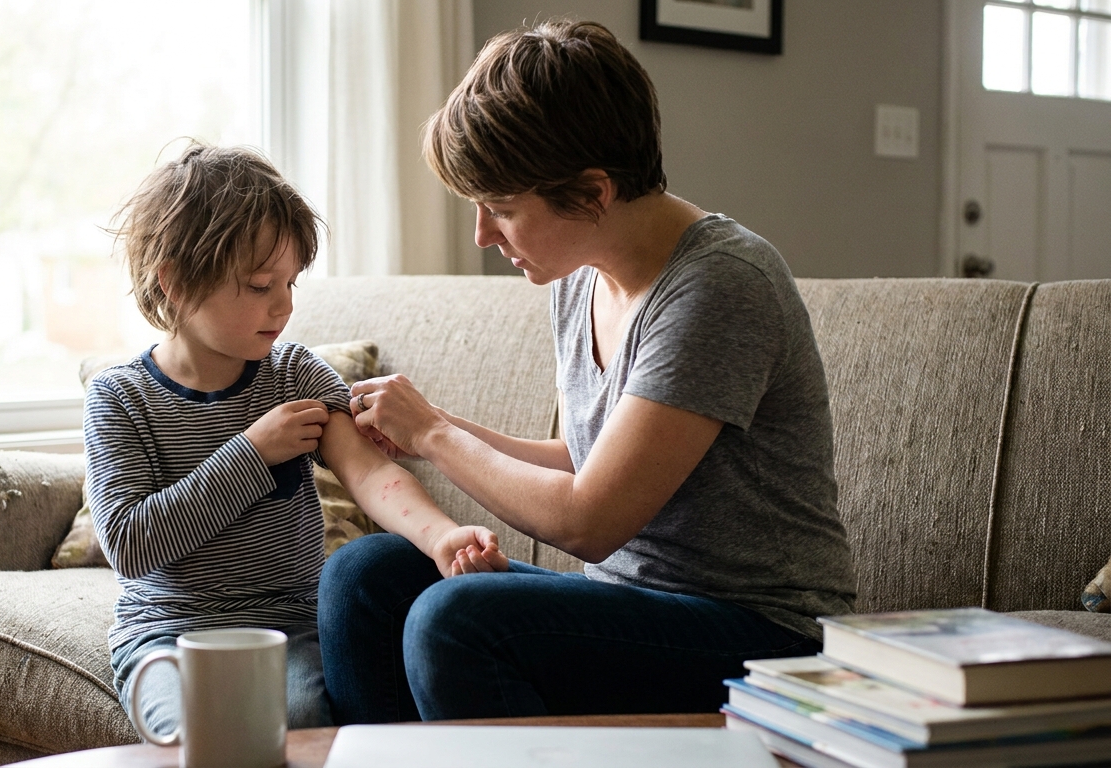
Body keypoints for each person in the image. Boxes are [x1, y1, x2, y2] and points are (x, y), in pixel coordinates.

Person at [318, 20, 857, 723]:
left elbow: (590, 519)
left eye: (503, 209)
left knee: (456, 619)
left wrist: (435, 440)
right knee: (363, 575)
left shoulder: (720, 285)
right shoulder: (580, 271)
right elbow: (589, 460)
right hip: (638, 609)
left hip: (763, 632)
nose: (484, 235)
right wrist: (436, 425)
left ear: (593, 193)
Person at [84, 143, 509, 739]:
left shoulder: (296, 374)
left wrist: (442, 536)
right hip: (170, 635)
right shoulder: (120, 398)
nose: (284, 305)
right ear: (175, 282)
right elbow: (131, 543)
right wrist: (253, 455)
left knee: (304, 724)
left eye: (290, 283)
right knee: (203, 739)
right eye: (260, 285)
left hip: (293, 626)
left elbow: (370, 474)